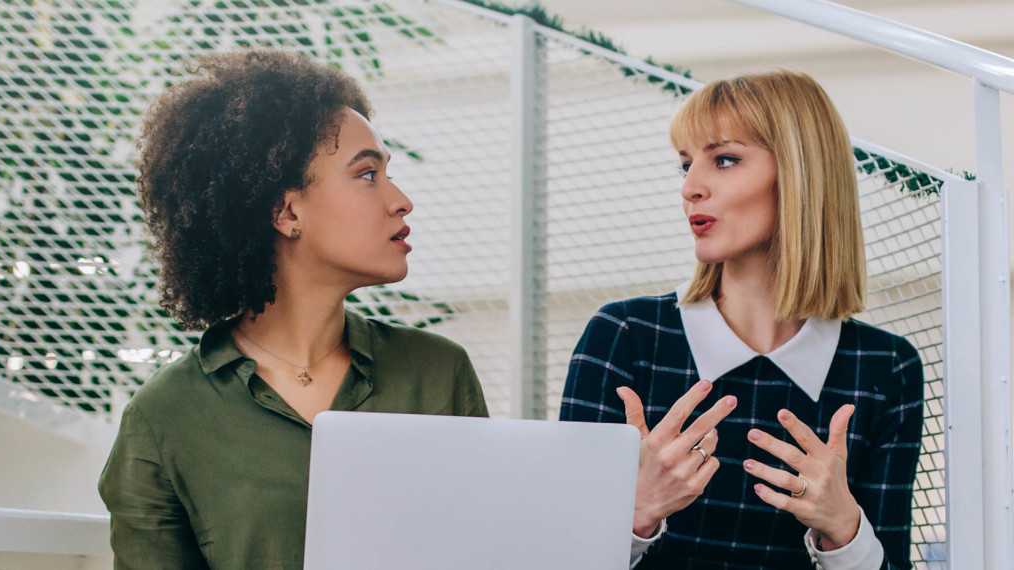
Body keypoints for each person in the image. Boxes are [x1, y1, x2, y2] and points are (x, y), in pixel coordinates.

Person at [98, 50, 488, 569]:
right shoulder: (163, 420)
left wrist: (635, 520)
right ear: (286, 211)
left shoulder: (438, 374)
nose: (401, 200)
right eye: (368, 175)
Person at [561, 70, 923, 569]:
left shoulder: (886, 367)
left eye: (724, 159)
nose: (690, 187)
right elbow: (555, 556)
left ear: (800, 174)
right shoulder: (624, 338)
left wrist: (844, 529)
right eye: (686, 165)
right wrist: (639, 513)